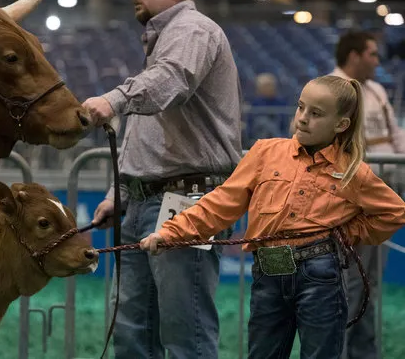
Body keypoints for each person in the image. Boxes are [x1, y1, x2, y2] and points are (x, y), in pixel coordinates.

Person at [140, 74, 405, 359]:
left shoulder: (354, 171)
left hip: (321, 275)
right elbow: (221, 203)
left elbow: (393, 212)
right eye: (300, 107)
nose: (303, 118)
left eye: (316, 114)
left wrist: (346, 234)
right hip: (268, 272)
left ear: (341, 125)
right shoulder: (265, 152)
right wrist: (171, 231)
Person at [82, 0, 242, 359]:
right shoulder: (163, 40)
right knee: (133, 333)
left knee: (184, 332)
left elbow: (173, 82)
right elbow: (145, 129)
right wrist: (117, 192)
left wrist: (115, 98)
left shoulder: (193, 30)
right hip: (143, 202)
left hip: (187, 201)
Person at [329, 30, 405, 359]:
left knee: (369, 281)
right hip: (350, 198)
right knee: (349, 280)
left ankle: (364, 352)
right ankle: (339, 351)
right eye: (372, 54)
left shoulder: (374, 91)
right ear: (354, 55)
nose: (377, 61)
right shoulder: (330, 89)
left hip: (384, 193)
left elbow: (394, 135)